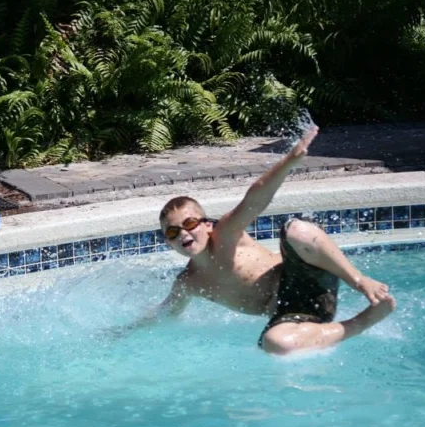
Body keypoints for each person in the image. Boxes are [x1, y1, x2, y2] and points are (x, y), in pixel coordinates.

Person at [119, 124, 396, 355]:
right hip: (292, 314)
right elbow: (165, 314)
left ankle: (360, 282)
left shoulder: (226, 233)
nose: (183, 234)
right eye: (172, 232)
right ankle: (363, 322)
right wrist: (122, 332)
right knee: (275, 344)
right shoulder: (189, 283)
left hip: (307, 281)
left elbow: (257, 197)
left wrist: (289, 162)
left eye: (189, 224)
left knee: (297, 229)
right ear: (168, 243)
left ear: (206, 224)